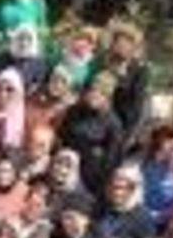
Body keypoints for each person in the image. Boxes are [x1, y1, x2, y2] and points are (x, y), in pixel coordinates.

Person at [57, 73, 124, 194]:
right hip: (64, 169)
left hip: (89, 178)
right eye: (92, 90)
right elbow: (61, 136)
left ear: (107, 97)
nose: (94, 95)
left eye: (100, 93)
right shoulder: (74, 111)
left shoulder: (113, 124)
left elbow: (111, 160)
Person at [99, 22, 151, 152]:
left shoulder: (140, 70)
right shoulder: (105, 64)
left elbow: (137, 105)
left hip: (123, 123)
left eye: (126, 43)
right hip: (100, 120)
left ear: (133, 47)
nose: (121, 46)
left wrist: (128, 134)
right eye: (118, 42)